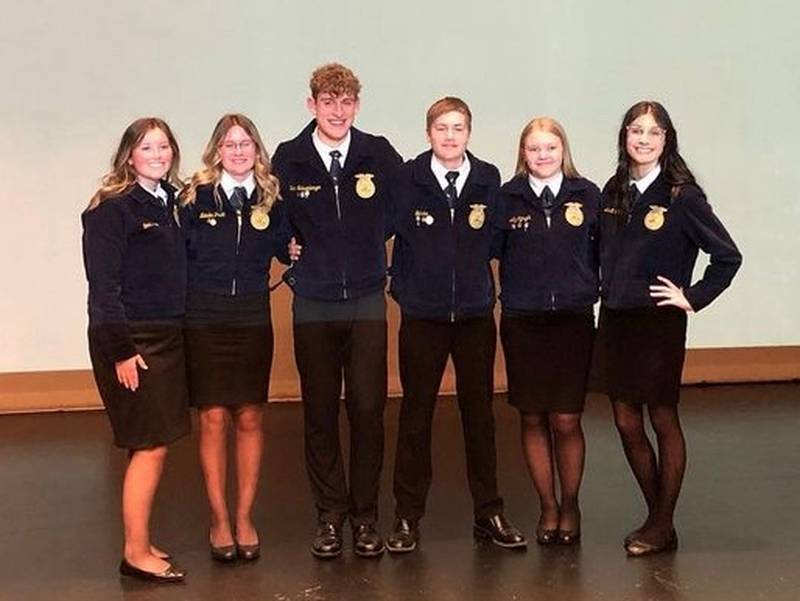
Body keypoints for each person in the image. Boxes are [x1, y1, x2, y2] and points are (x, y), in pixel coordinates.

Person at [598, 100, 742, 556]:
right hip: (617, 320)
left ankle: (661, 524)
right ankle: (657, 517)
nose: (643, 139)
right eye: (635, 131)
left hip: (657, 323)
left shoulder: (682, 195)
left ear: (666, 140)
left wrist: (692, 296)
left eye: (653, 132)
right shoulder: (614, 190)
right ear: (624, 137)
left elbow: (727, 256)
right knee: (624, 420)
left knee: (661, 417)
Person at [271, 63, 402, 558]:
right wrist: (286, 247)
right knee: (321, 413)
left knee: (368, 410)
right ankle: (330, 516)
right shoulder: (290, 157)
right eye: (329, 102)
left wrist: (373, 241)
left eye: (346, 102)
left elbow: (401, 203)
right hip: (313, 303)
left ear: (357, 106)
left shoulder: (379, 153)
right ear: (312, 106)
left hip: (367, 297)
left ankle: (365, 517)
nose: (338, 111)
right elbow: (273, 216)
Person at [386, 97, 526, 553]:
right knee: (415, 417)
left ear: (469, 133)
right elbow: (378, 231)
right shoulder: (407, 179)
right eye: (442, 128)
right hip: (422, 316)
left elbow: (499, 239)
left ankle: (489, 512)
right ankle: (407, 517)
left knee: (479, 416)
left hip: (473, 316)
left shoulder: (488, 179)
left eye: (459, 128)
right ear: (428, 133)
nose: (450, 136)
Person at [82, 118, 189, 582]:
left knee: (152, 444)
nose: (159, 154)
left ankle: (140, 538)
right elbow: (103, 288)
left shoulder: (171, 203)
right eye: (148, 147)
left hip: (166, 335)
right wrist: (121, 351)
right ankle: (134, 552)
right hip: (133, 341)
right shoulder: (112, 210)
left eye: (164, 146)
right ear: (130, 155)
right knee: (148, 445)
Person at [181, 114, 289, 562]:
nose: (239, 151)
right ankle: (219, 518)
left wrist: (296, 250)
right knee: (212, 418)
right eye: (230, 144)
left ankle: (244, 516)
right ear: (216, 151)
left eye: (246, 143)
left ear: (257, 150)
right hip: (204, 316)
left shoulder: (271, 197)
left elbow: (287, 245)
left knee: (248, 417)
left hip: (250, 317)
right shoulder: (194, 196)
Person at [497, 117, 600, 546]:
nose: (542, 155)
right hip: (523, 321)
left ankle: (571, 503)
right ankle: (548, 505)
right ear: (523, 153)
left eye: (550, 148)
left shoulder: (588, 195)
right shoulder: (507, 197)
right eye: (534, 148)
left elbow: (606, 250)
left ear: (564, 151)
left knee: (566, 418)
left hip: (573, 322)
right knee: (533, 415)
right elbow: (489, 251)